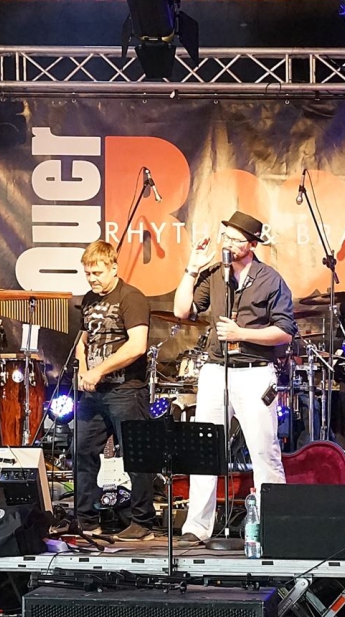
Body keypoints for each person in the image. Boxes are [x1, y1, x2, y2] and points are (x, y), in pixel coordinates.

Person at [173, 211, 297, 546]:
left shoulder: (270, 279)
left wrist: (243, 333)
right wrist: (191, 269)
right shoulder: (214, 274)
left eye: (235, 239)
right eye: (225, 236)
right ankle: (197, 527)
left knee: (264, 450)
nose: (227, 243)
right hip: (216, 370)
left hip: (254, 372)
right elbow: (181, 311)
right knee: (204, 448)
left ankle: (276, 526)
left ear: (252, 244)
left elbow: (285, 331)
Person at [71, 240, 157, 540]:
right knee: (82, 451)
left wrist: (99, 370)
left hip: (126, 390)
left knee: (136, 456)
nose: (92, 279)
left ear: (114, 268)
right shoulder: (89, 300)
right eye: (88, 273)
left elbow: (137, 345)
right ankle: (86, 520)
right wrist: (84, 369)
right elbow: (83, 341)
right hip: (93, 392)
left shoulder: (131, 298)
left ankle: (142, 523)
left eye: (97, 272)